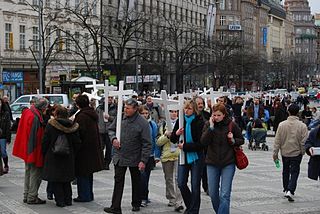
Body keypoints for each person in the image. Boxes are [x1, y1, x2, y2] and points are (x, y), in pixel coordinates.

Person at [104, 98, 152, 214]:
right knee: (118, 180)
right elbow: (111, 129)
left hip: (135, 157)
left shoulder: (142, 123)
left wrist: (143, 160)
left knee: (136, 181)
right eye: (125, 107)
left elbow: (147, 143)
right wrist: (113, 139)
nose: (125, 110)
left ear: (135, 109)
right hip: (120, 155)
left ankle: (136, 203)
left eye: (128, 108)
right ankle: (115, 206)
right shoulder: (120, 117)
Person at [201, 103, 244, 214]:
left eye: (218, 115)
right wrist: (210, 128)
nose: (216, 117)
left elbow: (241, 139)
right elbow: (203, 142)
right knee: (213, 193)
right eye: (214, 115)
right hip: (212, 162)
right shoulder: (208, 125)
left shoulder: (231, 125)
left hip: (228, 162)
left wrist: (233, 139)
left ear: (224, 115)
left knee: (225, 194)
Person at [42, 105, 81, 207]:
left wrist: (44, 152)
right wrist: (73, 152)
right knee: (66, 179)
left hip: (53, 155)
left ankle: (60, 200)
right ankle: (68, 199)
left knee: (56, 179)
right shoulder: (73, 126)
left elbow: (46, 140)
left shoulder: (51, 124)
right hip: (68, 155)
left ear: (57, 114)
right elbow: (77, 142)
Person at [170, 99, 205, 214]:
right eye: (185, 108)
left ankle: (194, 211)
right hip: (183, 155)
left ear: (194, 109)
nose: (186, 110)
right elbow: (173, 139)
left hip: (196, 156)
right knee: (181, 183)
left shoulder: (200, 121)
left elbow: (201, 144)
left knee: (195, 185)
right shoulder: (181, 120)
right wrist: (176, 134)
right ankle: (190, 206)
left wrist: (186, 146)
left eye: (189, 108)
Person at [12, 97, 49, 204]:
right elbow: (34, 137)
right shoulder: (35, 117)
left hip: (27, 148)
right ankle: (32, 197)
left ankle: (27, 194)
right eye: (46, 107)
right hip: (33, 150)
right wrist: (32, 154)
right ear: (42, 108)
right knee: (35, 173)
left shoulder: (29, 112)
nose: (47, 109)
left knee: (28, 172)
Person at [273, 104, 308, 202]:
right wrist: (302, 151)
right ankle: (290, 190)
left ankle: (286, 188)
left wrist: (275, 154)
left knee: (285, 170)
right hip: (296, 153)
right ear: (298, 113)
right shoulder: (302, 126)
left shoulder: (282, 125)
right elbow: (304, 141)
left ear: (288, 112)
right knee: (295, 171)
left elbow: (277, 141)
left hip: (285, 152)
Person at [73, 94, 104, 202]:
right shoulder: (91, 114)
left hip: (84, 150)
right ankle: (89, 194)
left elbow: (79, 133)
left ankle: (84, 195)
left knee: (82, 173)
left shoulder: (81, 116)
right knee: (88, 173)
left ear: (78, 104)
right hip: (92, 148)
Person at [156, 110, 184, 212]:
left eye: (175, 112)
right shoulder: (163, 124)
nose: (173, 113)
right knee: (169, 179)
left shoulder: (181, 123)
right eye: (171, 111)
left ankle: (179, 202)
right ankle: (171, 199)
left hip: (178, 154)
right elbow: (158, 142)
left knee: (179, 179)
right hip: (167, 155)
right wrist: (166, 135)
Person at [138, 105, 161, 207]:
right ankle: (141, 197)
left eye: (146, 113)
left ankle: (144, 197)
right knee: (141, 177)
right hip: (139, 155)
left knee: (146, 177)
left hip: (150, 155)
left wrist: (157, 155)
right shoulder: (137, 124)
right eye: (142, 113)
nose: (145, 115)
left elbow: (155, 140)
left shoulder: (152, 125)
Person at [96, 96, 117, 170]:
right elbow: (96, 118)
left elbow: (117, 119)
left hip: (109, 131)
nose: (110, 99)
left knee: (109, 148)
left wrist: (110, 118)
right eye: (108, 97)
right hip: (100, 130)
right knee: (100, 147)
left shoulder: (115, 108)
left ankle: (106, 163)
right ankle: (100, 162)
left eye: (111, 97)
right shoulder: (99, 108)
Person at [0, 98, 12, 174]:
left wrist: (8, 138)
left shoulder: (6, 113)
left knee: (3, 152)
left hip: (2, 135)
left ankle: (6, 165)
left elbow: (8, 126)